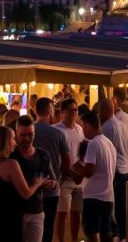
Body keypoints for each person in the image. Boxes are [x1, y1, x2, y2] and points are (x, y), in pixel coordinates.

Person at [0, 125, 46, 242]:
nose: (15, 142)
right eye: (13, 138)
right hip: (9, 219)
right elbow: (26, 193)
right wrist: (37, 183)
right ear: (5, 142)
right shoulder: (11, 164)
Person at [72, 112, 117, 242]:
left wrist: (76, 169)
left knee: (91, 232)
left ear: (88, 125)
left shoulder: (93, 144)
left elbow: (89, 171)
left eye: (82, 126)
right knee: (105, 231)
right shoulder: (108, 143)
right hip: (108, 195)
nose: (83, 130)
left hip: (93, 196)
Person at [11, 117, 57, 241]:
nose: (27, 138)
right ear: (16, 133)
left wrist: (50, 184)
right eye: (23, 135)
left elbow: (53, 180)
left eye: (30, 134)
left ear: (35, 133)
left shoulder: (43, 155)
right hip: (14, 212)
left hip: (36, 210)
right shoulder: (11, 156)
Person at [33, 97, 68, 242]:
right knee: (48, 227)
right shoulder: (57, 133)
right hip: (51, 187)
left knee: (32, 227)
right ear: (49, 111)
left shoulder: (29, 131)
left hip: (31, 185)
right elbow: (66, 160)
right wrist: (60, 179)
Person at [100, 98, 128, 240]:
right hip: (125, 167)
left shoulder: (107, 126)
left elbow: (106, 151)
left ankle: (118, 233)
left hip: (116, 170)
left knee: (113, 205)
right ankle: (123, 233)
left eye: (100, 111)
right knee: (121, 204)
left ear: (105, 111)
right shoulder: (122, 125)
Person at [54, 99, 85, 242]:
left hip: (78, 177)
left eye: (76, 110)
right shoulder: (57, 130)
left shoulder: (79, 129)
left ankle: (74, 239)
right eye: (71, 110)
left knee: (76, 212)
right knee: (61, 213)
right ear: (63, 112)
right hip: (64, 177)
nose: (74, 113)